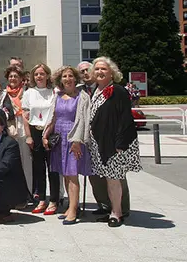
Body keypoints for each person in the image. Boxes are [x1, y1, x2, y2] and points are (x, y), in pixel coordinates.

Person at [87, 57, 141, 227]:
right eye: (97, 69)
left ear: (112, 73)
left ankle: (117, 213)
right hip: (98, 143)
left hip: (113, 144)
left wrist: (121, 143)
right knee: (106, 178)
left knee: (113, 179)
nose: (100, 72)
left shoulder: (118, 91)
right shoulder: (95, 90)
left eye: (104, 69)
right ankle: (111, 208)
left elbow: (125, 118)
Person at [42, 66, 92, 224]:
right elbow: (53, 118)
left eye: (71, 76)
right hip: (59, 140)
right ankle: (70, 206)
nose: (68, 79)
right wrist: (45, 135)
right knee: (65, 174)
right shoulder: (57, 96)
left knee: (72, 174)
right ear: (60, 79)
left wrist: (78, 141)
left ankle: (73, 210)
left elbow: (85, 120)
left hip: (74, 138)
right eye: (64, 76)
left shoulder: (82, 97)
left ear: (75, 78)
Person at [22, 63, 59, 215]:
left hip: (50, 132)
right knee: (38, 168)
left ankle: (54, 200)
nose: (39, 76)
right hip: (35, 132)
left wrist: (47, 133)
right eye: (36, 74)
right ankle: (42, 199)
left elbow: (55, 114)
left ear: (47, 75)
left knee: (52, 168)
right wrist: (28, 136)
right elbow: (25, 116)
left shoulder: (54, 92)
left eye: (42, 73)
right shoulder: (29, 93)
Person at [3, 65, 32, 198]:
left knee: (26, 162)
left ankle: (28, 192)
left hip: (24, 128)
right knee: (11, 162)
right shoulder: (4, 94)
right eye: (11, 76)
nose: (13, 78)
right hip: (10, 129)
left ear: (21, 78)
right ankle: (13, 193)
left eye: (16, 76)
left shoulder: (27, 93)